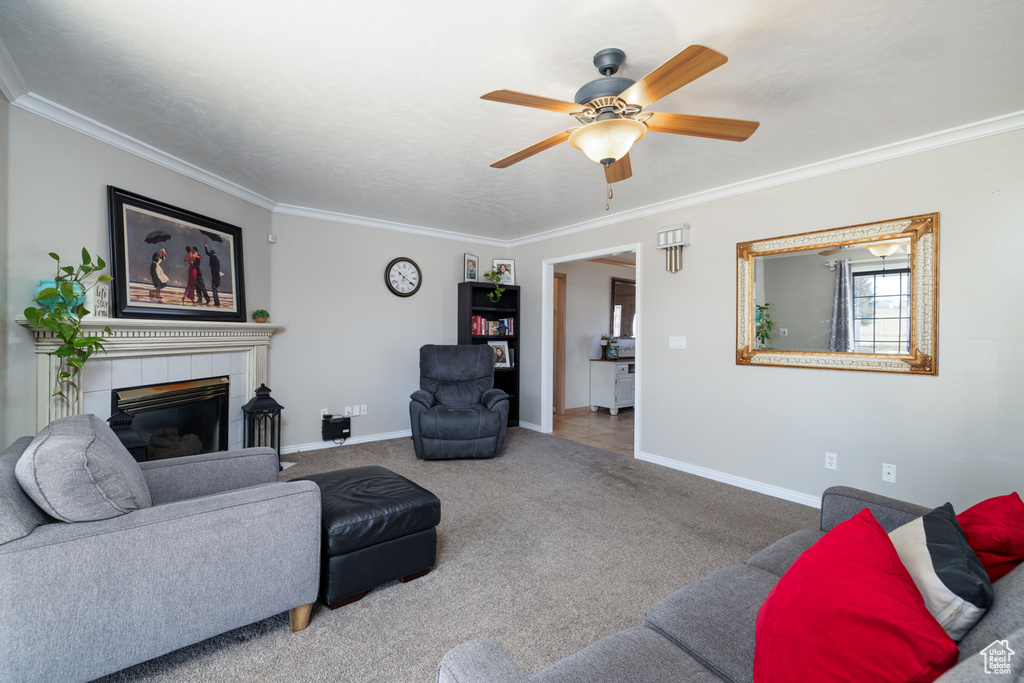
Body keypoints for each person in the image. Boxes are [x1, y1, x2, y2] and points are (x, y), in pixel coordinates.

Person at [204, 242, 221, 306]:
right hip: (217, 277)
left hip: (215, 277)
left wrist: (205, 247)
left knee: (214, 289)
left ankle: (216, 302)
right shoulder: (217, 259)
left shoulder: (213, 257)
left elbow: (207, 253)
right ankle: (217, 302)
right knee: (215, 290)